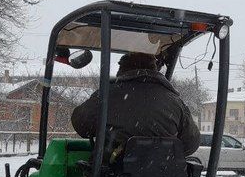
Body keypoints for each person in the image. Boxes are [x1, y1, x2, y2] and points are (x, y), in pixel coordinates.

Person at [71, 52, 200, 158]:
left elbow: (81, 125)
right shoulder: (175, 102)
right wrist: (160, 153)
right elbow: (191, 144)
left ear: (122, 69)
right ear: (154, 69)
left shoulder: (107, 95)